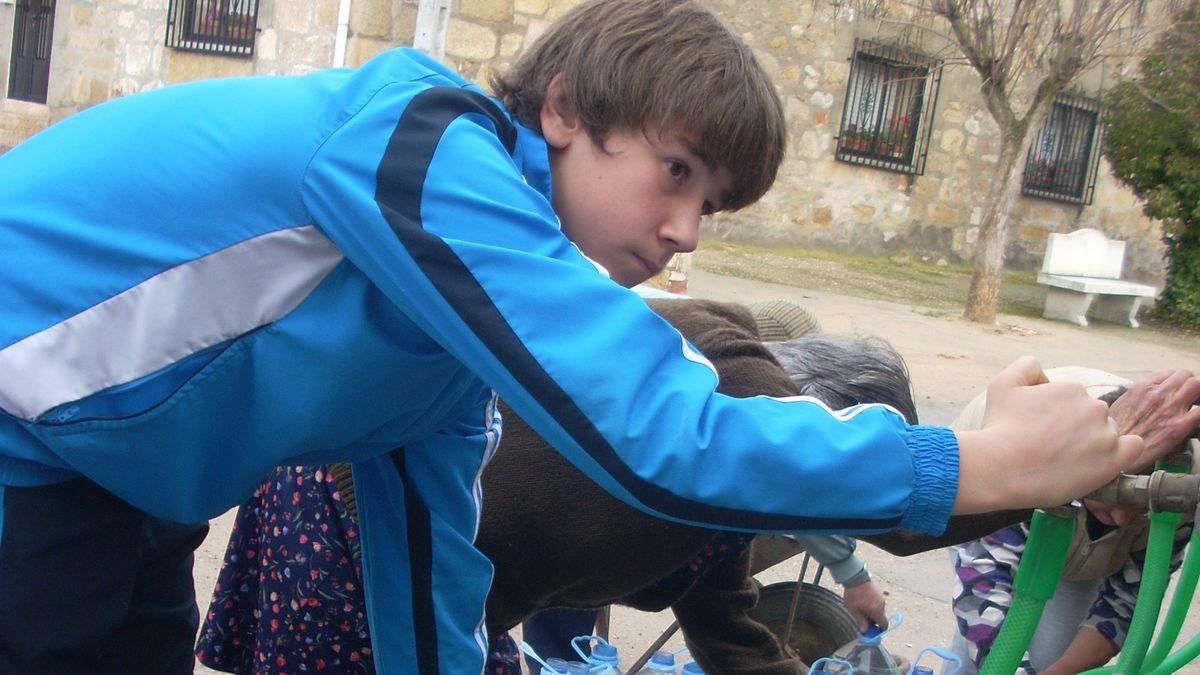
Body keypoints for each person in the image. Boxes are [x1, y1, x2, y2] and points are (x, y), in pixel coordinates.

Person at [0, 0, 1156, 671]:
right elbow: (655, 430)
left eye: (713, 205)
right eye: (677, 171)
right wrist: (963, 465)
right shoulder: (415, 140)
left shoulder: (446, 357)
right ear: (562, 108)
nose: (684, 229)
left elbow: (426, 565)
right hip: (25, 443)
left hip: (118, 486)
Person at [197, 298, 912, 674]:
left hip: (433, 540)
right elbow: (912, 508)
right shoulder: (715, 393)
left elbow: (729, 632)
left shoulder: (732, 497)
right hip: (364, 504)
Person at [948, 367, 1200, 675]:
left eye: (1138, 509)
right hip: (986, 490)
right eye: (1113, 500)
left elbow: (1126, 603)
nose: (1121, 519)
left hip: (1080, 509)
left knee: (1054, 651)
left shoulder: (1181, 488)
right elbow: (982, 589)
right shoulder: (1037, 455)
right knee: (981, 655)